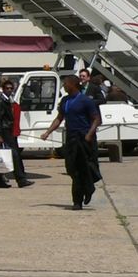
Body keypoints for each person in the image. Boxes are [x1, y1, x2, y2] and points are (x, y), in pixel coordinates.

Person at [41, 75, 102, 210]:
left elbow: (96, 119)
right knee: (72, 169)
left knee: (85, 168)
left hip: (84, 138)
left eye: (66, 84)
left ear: (73, 84)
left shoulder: (85, 101)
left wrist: (89, 134)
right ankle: (87, 189)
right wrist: (47, 132)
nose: (64, 86)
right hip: (71, 138)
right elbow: (59, 119)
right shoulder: (65, 101)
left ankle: (78, 200)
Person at [0, 78, 31, 188]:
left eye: (11, 88)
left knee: (6, 156)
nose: (9, 90)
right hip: (4, 132)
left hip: (9, 130)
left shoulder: (8, 100)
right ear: (3, 89)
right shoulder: (0, 101)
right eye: (7, 88)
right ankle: (20, 179)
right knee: (12, 155)